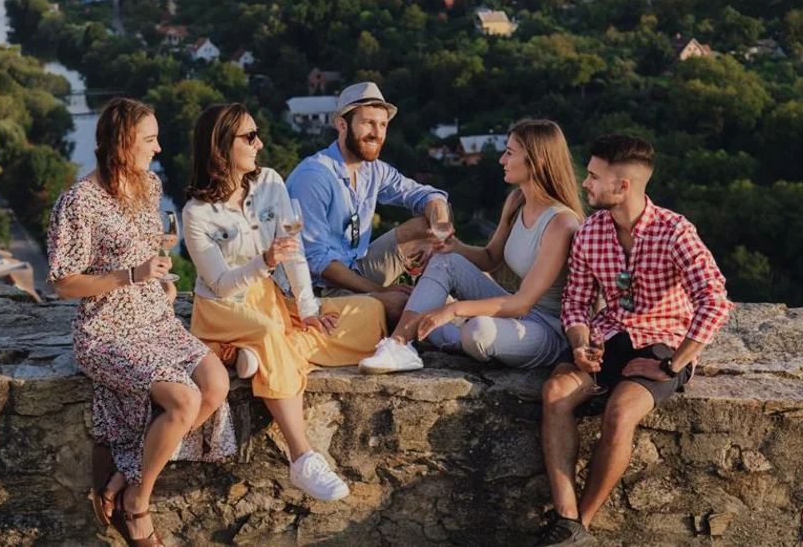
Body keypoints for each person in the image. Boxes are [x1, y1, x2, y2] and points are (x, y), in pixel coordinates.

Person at [47, 98, 235, 547]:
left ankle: (119, 475)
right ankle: (137, 501)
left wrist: (159, 281)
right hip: (106, 330)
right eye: (150, 139)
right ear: (123, 142)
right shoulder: (78, 202)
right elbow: (64, 284)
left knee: (217, 385)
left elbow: (145, 252)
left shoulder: (148, 186)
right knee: (185, 400)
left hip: (156, 319)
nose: (158, 148)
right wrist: (129, 277)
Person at [533, 134, 734, 547]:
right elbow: (575, 301)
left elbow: (714, 300)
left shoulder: (675, 231)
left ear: (622, 186)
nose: (584, 183)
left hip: (663, 342)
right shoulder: (590, 233)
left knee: (621, 414)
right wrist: (579, 343)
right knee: (555, 391)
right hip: (609, 337)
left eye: (593, 176)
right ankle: (566, 521)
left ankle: (579, 526)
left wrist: (674, 364)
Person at [183, 103, 388, 502]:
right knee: (269, 331)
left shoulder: (272, 183)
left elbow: (293, 252)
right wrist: (265, 261)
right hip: (223, 308)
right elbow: (222, 285)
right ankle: (302, 456)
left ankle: (252, 356)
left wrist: (309, 310)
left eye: (257, 134)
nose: (259, 143)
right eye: (249, 137)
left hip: (272, 300)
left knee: (370, 311)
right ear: (222, 146)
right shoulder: (197, 213)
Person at [285, 82, 451, 375]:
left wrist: (438, 231)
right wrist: (380, 291)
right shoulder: (315, 176)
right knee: (400, 304)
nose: (377, 133)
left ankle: (440, 293)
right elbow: (319, 262)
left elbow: (425, 194)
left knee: (425, 225)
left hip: (357, 264)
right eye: (367, 123)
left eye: (383, 124)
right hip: (321, 287)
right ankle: (430, 327)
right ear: (342, 124)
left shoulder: (373, 169)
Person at [410, 120, 584, 369]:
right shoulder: (516, 201)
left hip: (548, 329)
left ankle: (443, 335)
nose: (502, 160)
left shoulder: (561, 223)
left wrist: (455, 310)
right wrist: (455, 246)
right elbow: (491, 257)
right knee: (445, 261)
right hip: (517, 309)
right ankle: (400, 342)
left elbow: (523, 302)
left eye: (510, 153)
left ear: (537, 161)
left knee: (478, 332)